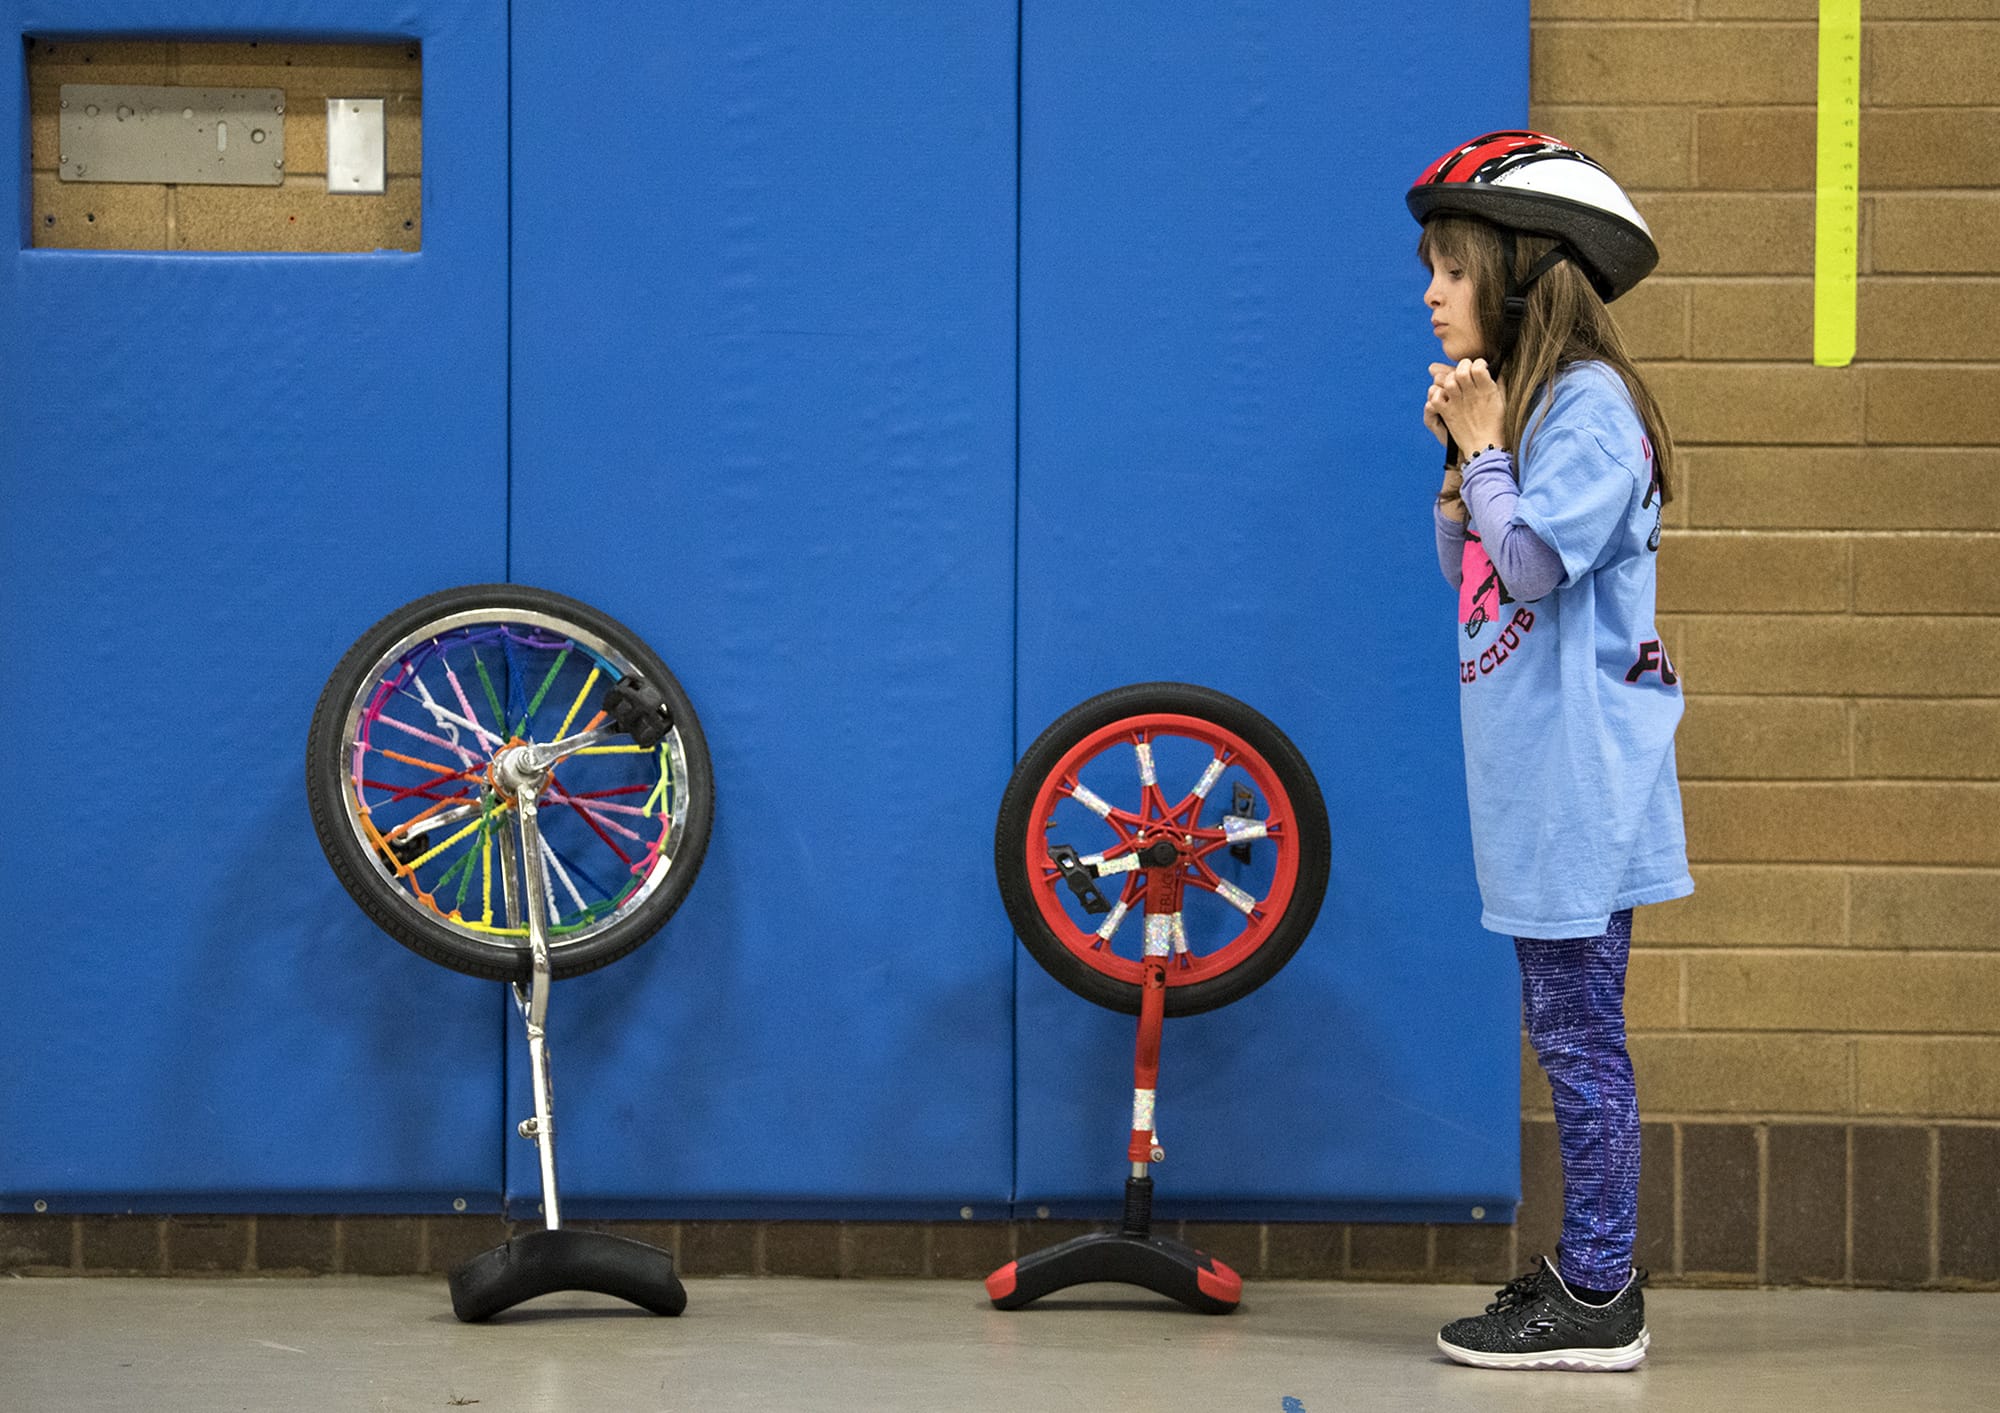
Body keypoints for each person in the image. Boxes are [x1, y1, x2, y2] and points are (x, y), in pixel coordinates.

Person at [1408, 131, 1694, 1372]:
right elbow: (1469, 578)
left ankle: (1596, 1297)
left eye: (1449, 268)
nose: (1428, 292)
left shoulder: (1586, 407)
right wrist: (1458, 466)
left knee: (1578, 1036)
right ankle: (1588, 1270)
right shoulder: (1531, 408)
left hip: (1580, 780)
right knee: (1565, 1027)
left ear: (1521, 274)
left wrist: (1484, 457)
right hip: (1532, 776)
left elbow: (1527, 567)